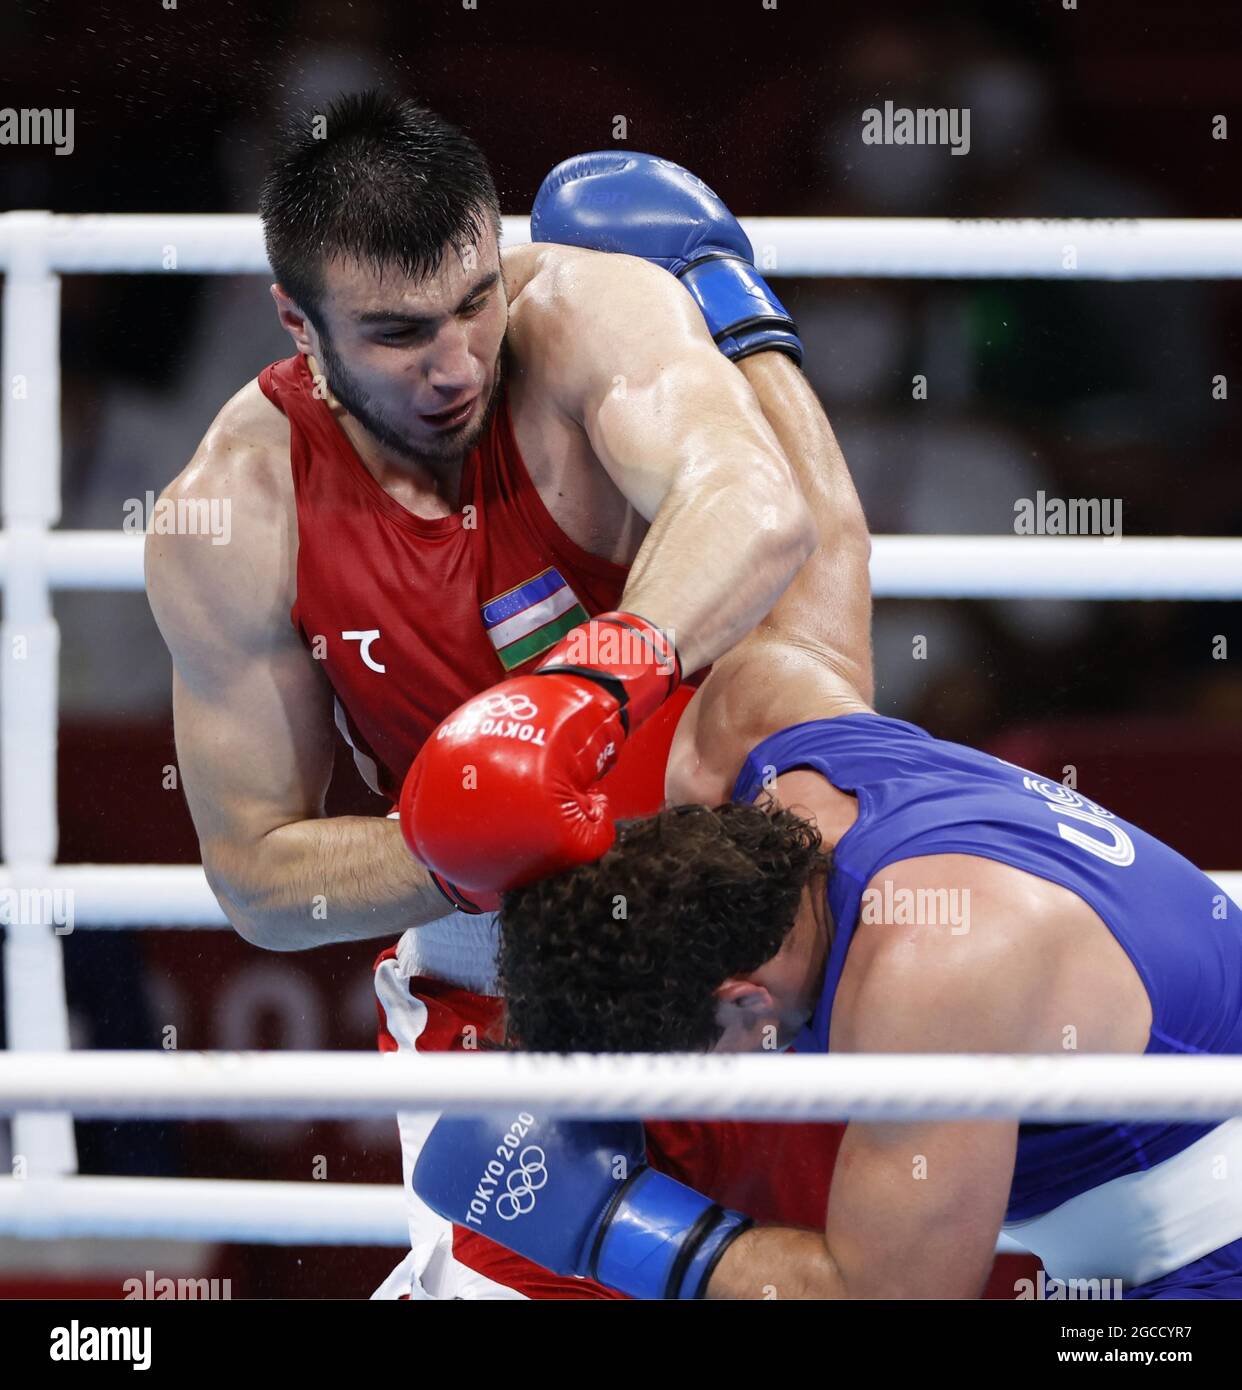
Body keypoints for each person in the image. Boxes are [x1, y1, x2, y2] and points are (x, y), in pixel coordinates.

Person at [146, 90, 870, 1298]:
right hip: (500, 959)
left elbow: (759, 512)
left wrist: (585, 700)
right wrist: (470, 838)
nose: (455, 363)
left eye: (474, 302)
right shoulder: (233, 515)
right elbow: (258, 880)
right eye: (396, 333)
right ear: (295, 321)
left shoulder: (585, 312)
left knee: (854, 1271)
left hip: (750, 911)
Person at [411, 401, 1242, 1300]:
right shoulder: (772, 726)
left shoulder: (927, 981)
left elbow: (890, 1298)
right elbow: (822, 526)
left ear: (743, 999)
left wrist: (607, 1225)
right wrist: (742, 320)